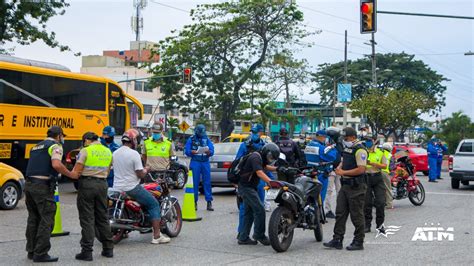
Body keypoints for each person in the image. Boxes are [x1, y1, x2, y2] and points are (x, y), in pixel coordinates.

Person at [24, 126, 77, 262]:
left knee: (33, 219)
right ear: (58, 135)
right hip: (42, 187)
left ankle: (31, 250)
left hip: (29, 186)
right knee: (47, 219)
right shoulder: (55, 146)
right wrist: (71, 174)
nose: (62, 138)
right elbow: (56, 165)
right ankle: (41, 253)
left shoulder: (36, 146)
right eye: (62, 136)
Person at [113, 129, 171, 244]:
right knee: (153, 204)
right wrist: (147, 169)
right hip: (132, 188)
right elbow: (140, 174)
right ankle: (157, 236)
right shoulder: (134, 154)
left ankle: (123, 231)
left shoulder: (115, 153)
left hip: (117, 188)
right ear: (134, 140)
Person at [70, 132, 114, 261]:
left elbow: (76, 172)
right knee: (102, 217)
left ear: (88, 140)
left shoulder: (85, 151)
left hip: (87, 184)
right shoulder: (107, 151)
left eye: (84, 140)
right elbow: (108, 170)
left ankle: (87, 251)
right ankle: (108, 249)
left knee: (87, 218)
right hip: (102, 185)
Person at [323, 127, 368, 251]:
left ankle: (359, 241)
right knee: (340, 213)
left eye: (346, 138)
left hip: (356, 187)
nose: (345, 140)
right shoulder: (348, 148)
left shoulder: (360, 150)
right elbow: (344, 160)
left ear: (353, 137)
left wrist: (343, 172)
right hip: (345, 185)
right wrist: (339, 167)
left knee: (356, 215)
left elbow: (361, 169)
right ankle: (337, 239)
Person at [236, 124, 276, 237]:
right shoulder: (245, 145)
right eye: (252, 132)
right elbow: (238, 162)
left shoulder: (264, 146)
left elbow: (264, 166)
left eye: (256, 132)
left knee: (258, 207)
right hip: (247, 181)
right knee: (246, 209)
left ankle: (250, 233)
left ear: (261, 132)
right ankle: (242, 232)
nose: (253, 134)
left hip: (260, 181)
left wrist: (272, 178)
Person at [185, 124, 215, 211]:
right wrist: (192, 152)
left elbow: (212, 150)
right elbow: (186, 151)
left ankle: (209, 202)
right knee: (194, 183)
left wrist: (209, 152)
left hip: (205, 162)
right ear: (197, 132)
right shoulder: (191, 139)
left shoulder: (207, 139)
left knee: (207, 182)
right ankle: (194, 202)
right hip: (195, 162)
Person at [304, 130, 338, 205]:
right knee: (320, 197)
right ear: (322, 137)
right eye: (325, 137)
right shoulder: (321, 147)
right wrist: (332, 147)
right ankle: (317, 214)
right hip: (320, 175)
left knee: (309, 196)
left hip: (309, 173)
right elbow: (332, 156)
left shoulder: (308, 145)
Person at [363, 135, 387, 234]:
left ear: (374, 141)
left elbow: (385, 165)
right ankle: (367, 225)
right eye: (366, 141)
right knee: (367, 203)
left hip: (377, 177)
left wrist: (374, 164)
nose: (368, 143)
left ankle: (380, 226)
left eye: (369, 141)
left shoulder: (380, 152)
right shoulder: (362, 152)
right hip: (366, 177)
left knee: (380, 202)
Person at [381, 143, 394, 209]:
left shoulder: (380, 153)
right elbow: (391, 167)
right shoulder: (390, 155)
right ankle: (389, 204)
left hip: (376, 172)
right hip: (385, 173)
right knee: (388, 189)